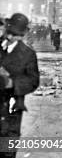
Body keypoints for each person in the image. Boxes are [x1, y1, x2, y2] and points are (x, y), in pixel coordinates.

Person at [0, 14, 40, 158]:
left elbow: (33, 80)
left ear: (22, 35)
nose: (10, 37)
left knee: (7, 148)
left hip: (12, 107)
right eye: (9, 33)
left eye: (15, 35)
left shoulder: (28, 54)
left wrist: (13, 83)